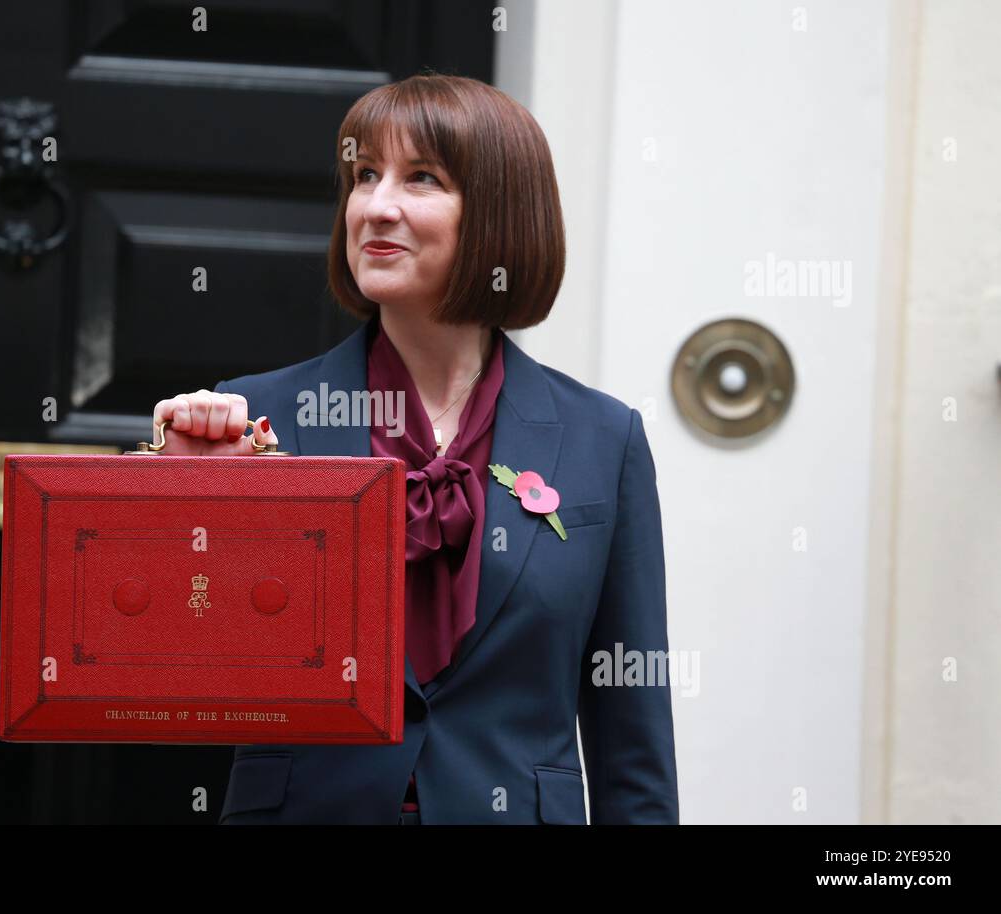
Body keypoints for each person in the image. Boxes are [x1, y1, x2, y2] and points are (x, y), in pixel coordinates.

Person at [151, 73, 678, 824]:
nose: (375, 206)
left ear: (499, 214)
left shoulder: (604, 438)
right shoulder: (255, 419)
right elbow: (170, 671)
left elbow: (633, 729)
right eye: (364, 175)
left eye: (420, 178)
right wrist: (189, 504)